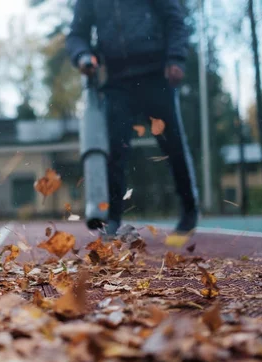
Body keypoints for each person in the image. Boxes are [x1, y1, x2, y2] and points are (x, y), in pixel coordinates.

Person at [66, 0, 199, 237]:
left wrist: (176, 57)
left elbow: (174, 19)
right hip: (117, 82)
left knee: (172, 144)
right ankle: (113, 217)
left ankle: (189, 210)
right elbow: (77, 34)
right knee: (115, 150)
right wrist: (83, 55)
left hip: (155, 75)